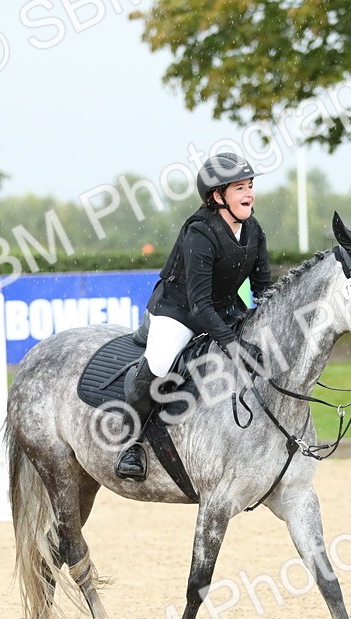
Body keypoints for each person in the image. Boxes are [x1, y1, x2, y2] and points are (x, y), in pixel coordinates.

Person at [115, 153, 272, 481]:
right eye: (240, 187)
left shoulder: (253, 229)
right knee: (159, 364)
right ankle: (130, 443)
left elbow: (263, 287)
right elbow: (199, 304)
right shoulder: (200, 232)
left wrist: (266, 322)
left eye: (251, 186)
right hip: (179, 312)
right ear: (218, 197)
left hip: (225, 309)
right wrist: (233, 345)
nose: (249, 194)